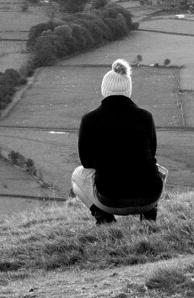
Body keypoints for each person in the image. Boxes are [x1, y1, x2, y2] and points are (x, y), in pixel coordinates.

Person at [72, 59, 167, 224]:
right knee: (158, 169)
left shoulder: (89, 119)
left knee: (76, 176)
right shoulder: (145, 116)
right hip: (150, 195)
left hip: (110, 198)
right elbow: (152, 153)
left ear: (104, 89)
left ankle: (104, 217)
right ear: (128, 90)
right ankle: (149, 216)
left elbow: (86, 162)